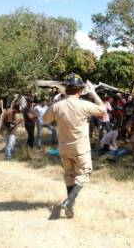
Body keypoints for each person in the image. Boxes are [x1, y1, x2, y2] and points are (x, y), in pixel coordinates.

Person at [43, 73, 106, 218]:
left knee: (69, 175)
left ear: (65, 89)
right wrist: (94, 93)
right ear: (80, 90)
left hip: (64, 147)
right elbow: (102, 110)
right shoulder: (84, 105)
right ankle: (69, 201)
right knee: (84, 173)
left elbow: (45, 120)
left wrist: (55, 102)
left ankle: (69, 207)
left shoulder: (57, 106)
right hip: (81, 148)